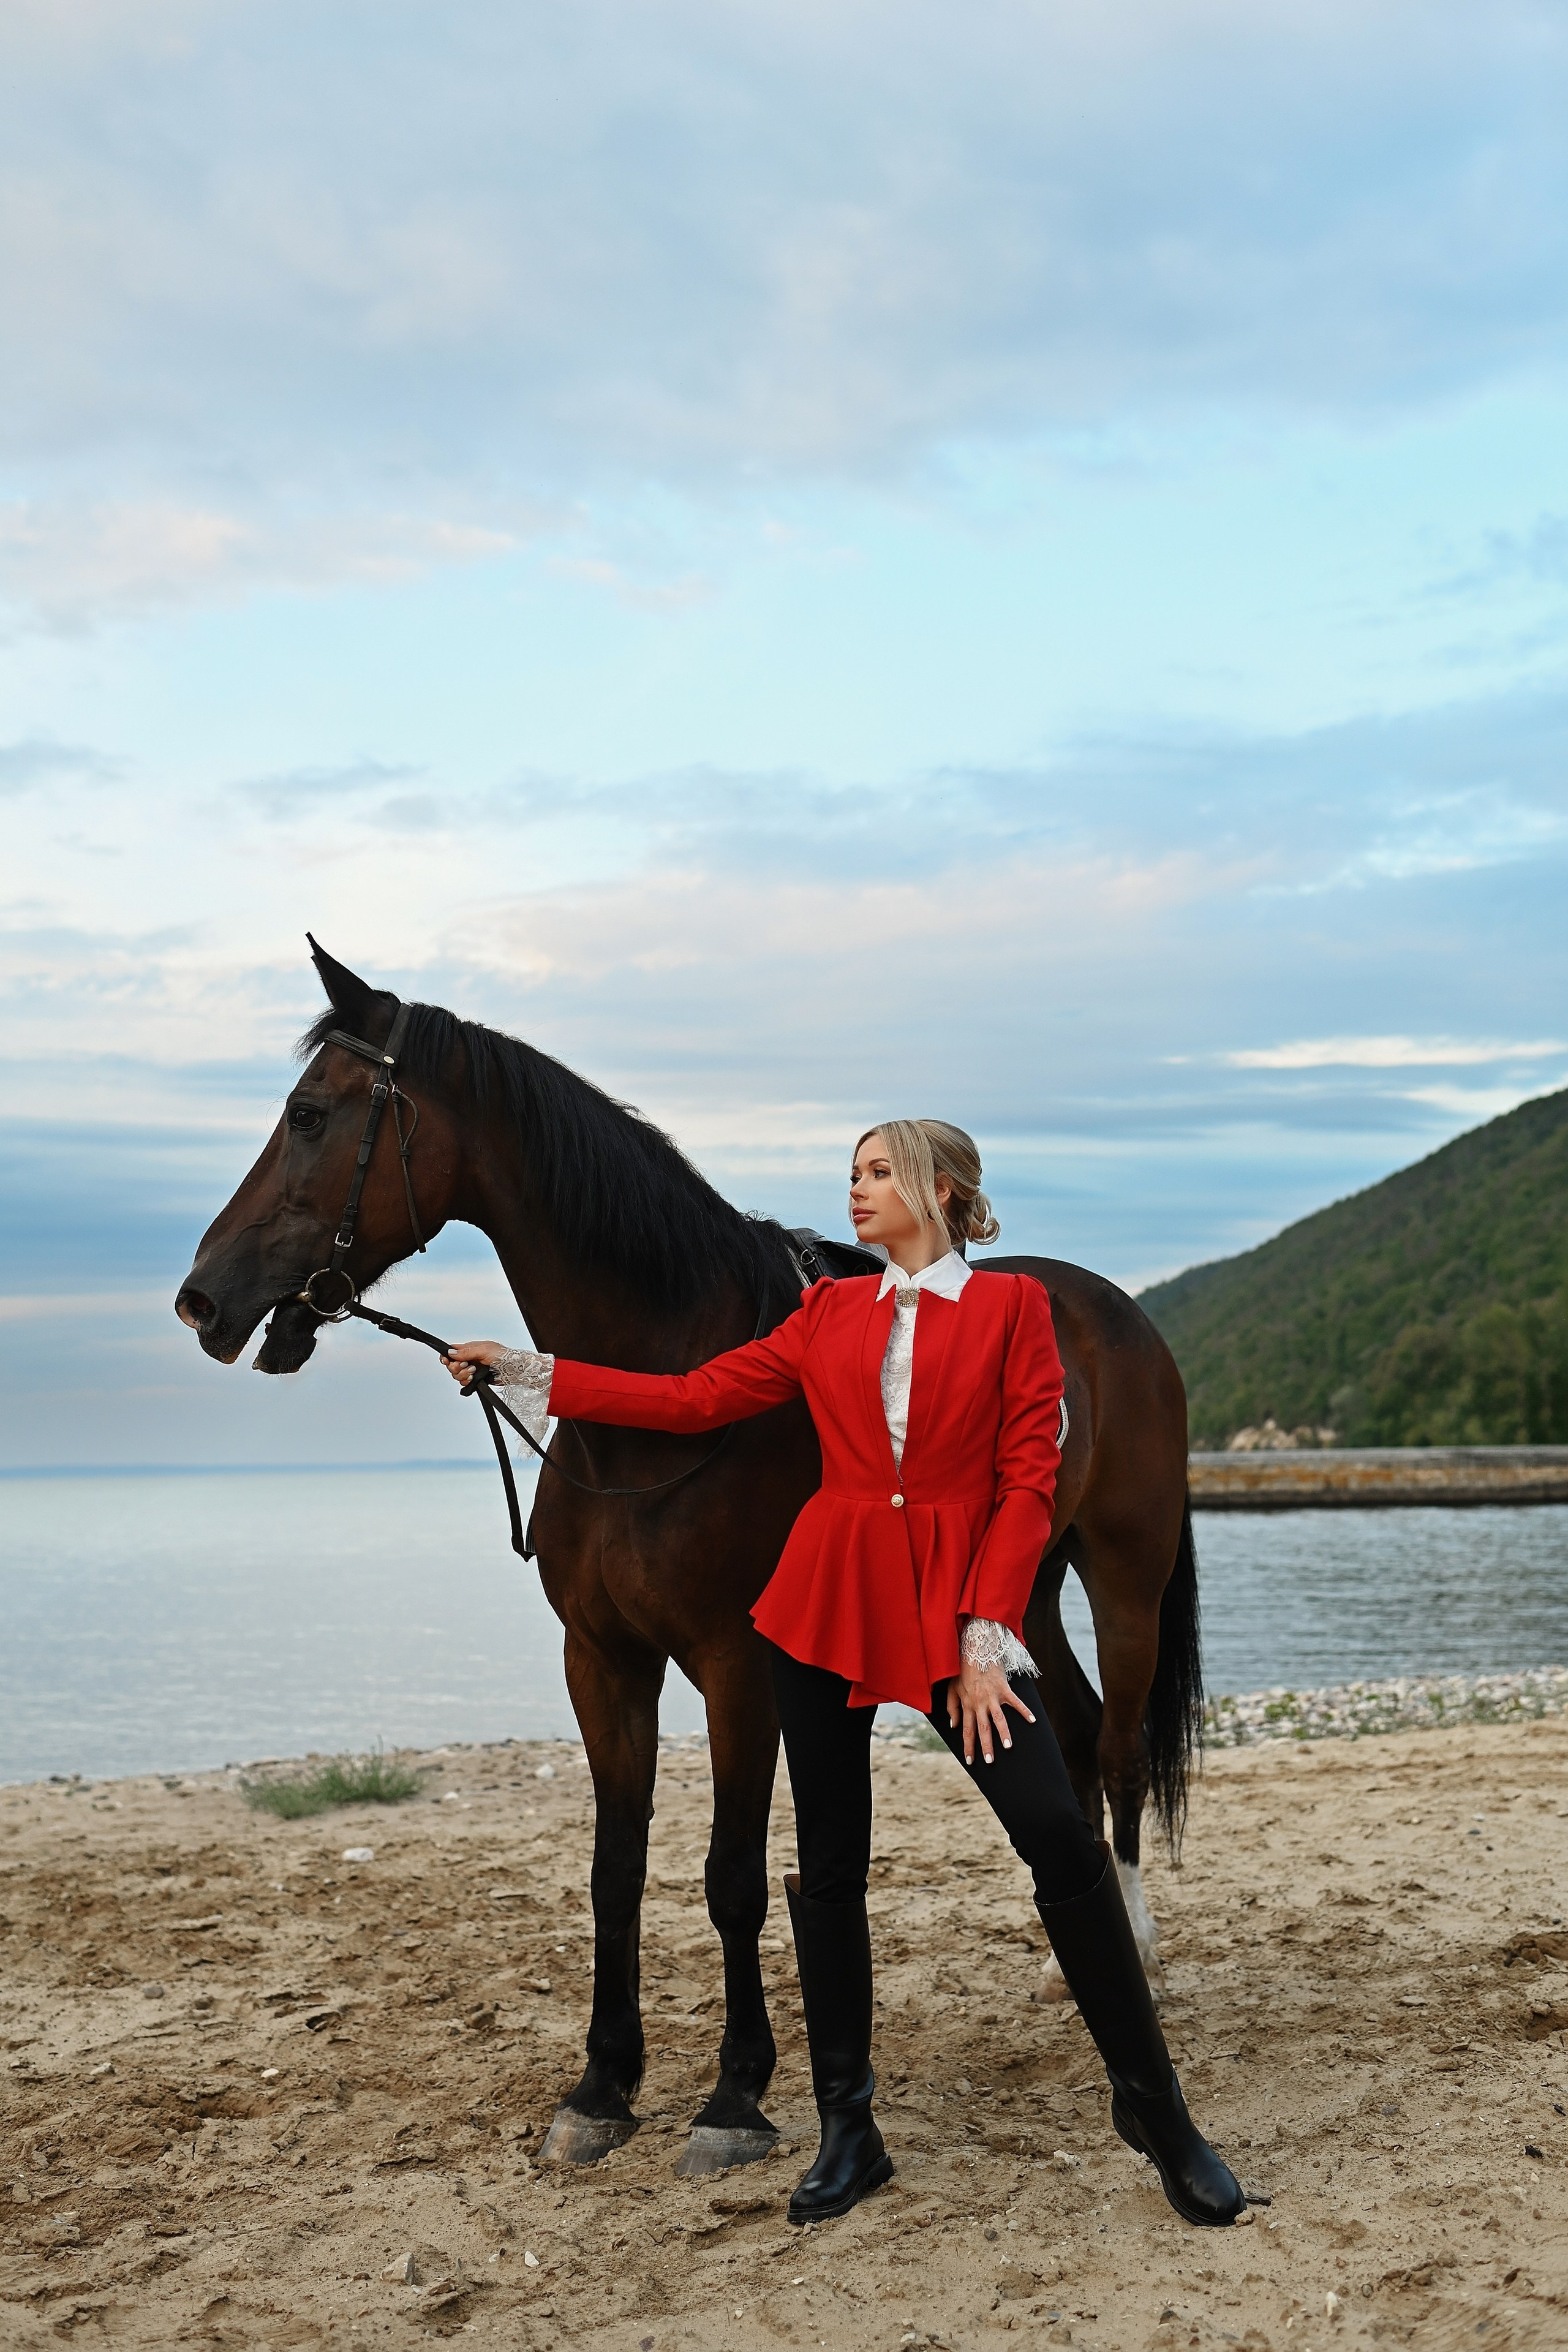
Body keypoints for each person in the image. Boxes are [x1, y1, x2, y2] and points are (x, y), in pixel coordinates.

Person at [444, 1120, 1245, 2230]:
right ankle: (846, 2129)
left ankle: (1161, 2117)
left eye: (880, 1174)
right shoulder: (825, 1313)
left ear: (946, 1192)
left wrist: (983, 1639)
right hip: (824, 1605)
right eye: (853, 1174)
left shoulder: (1017, 1316)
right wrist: (531, 1372)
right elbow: (694, 1401)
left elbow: (1027, 1486)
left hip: (956, 1616)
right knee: (827, 1869)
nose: (857, 1192)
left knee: (1056, 1841)